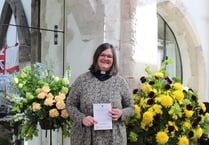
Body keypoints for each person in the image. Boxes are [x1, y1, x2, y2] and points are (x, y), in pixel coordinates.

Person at [66, 43, 134, 145]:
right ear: (96, 57)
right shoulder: (82, 80)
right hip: (85, 137)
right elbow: (70, 104)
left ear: (113, 60)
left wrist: (121, 113)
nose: (105, 58)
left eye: (109, 56)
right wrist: (82, 118)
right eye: (102, 55)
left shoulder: (120, 82)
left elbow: (131, 107)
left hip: (114, 138)